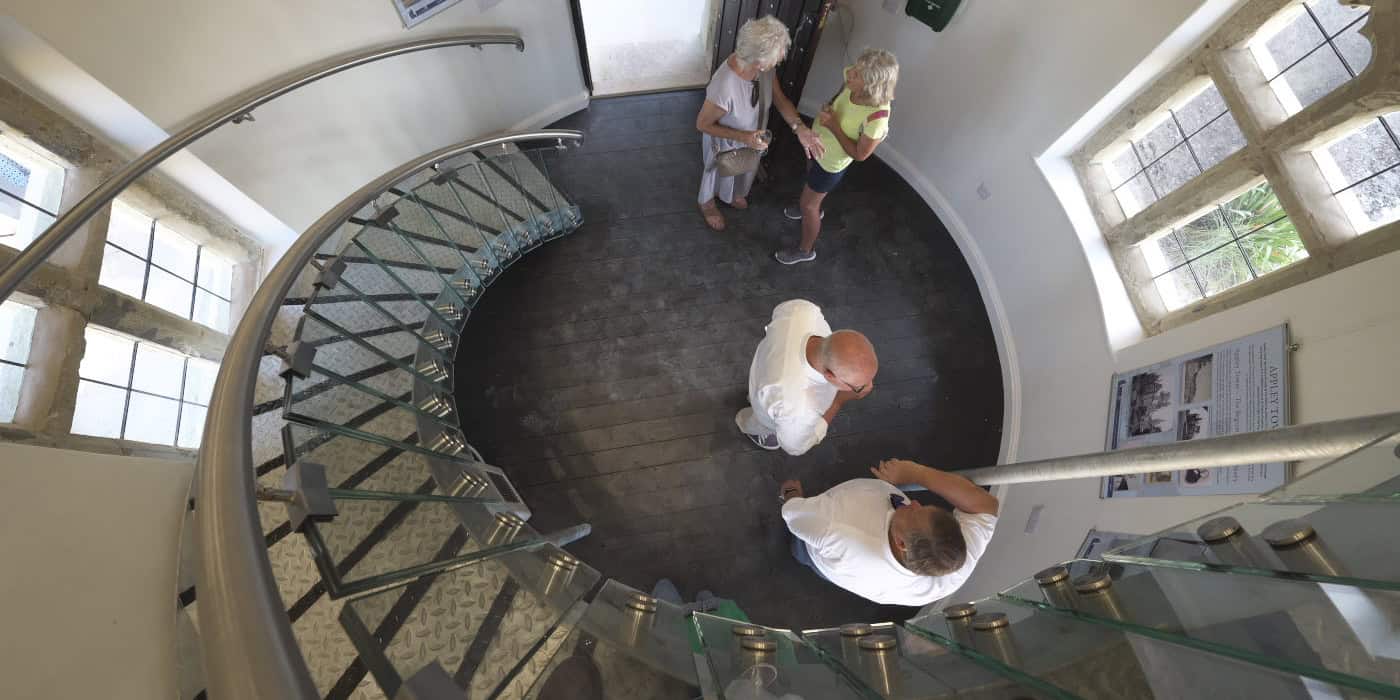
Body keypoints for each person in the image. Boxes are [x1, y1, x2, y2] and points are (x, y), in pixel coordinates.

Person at [779, 459, 999, 606]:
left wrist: (792, 496)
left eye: (914, 513)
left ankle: (797, 550)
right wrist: (916, 472)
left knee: (803, 548)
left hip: (820, 550)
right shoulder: (952, 564)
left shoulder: (839, 536)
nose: (913, 503)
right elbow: (986, 506)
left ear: (901, 543)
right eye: (923, 508)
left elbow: (795, 514)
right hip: (852, 567)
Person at [695, 16, 825, 232]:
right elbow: (702, 124)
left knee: (741, 168)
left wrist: (799, 127)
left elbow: (780, 99)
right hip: (725, 141)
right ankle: (706, 203)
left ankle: (730, 194)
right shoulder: (724, 87)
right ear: (757, 60)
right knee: (714, 170)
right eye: (778, 54)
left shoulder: (764, 69)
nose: (782, 57)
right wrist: (744, 137)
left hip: (751, 138)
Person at [776, 48, 899, 265]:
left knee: (809, 206)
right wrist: (830, 107)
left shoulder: (877, 118)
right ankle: (811, 203)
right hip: (815, 146)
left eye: (856, 75)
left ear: (871, 85)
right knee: (810, 185)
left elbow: (860, 155)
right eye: (855, 69)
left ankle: (806, 249)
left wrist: (833, 125)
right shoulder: (852, 80)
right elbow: (839, 96)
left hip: (830, 164)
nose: (848, 73)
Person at [736, 299, 877, 456]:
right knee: (765, 421)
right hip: (769, 403)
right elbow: (794, 446)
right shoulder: (797, 408)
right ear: (830, 376)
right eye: (857, 387)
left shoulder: (803, 310)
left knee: (762, 395)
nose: (869, 385)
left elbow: (779, 312)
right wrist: (838, 401)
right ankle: (753, 429)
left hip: (764, 364)